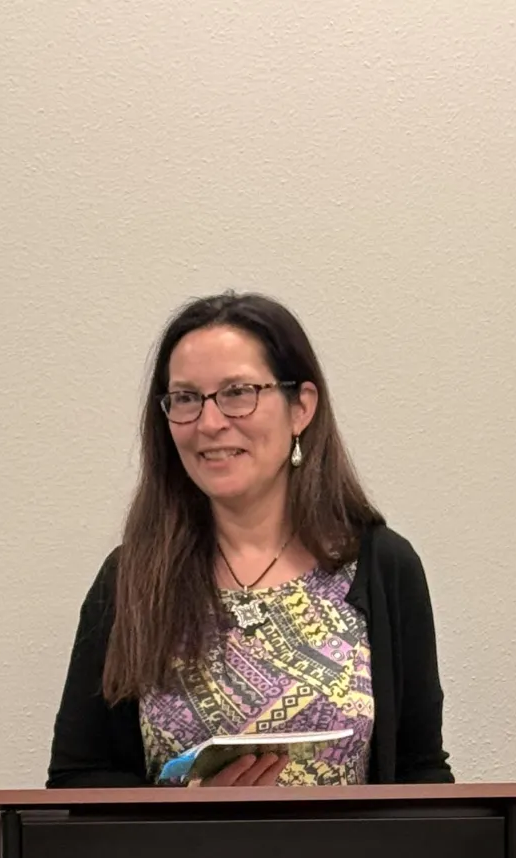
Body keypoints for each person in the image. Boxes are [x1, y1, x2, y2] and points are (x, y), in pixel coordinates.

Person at [47, 292, 452, 788]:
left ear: (301, 407)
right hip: (177, 846)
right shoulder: (132, 579)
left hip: (350, 846)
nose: (210, 423)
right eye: (186, 399)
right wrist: (188, 814)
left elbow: (421, 774)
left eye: (237, 393)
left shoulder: (383, 567)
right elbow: (75, 782)